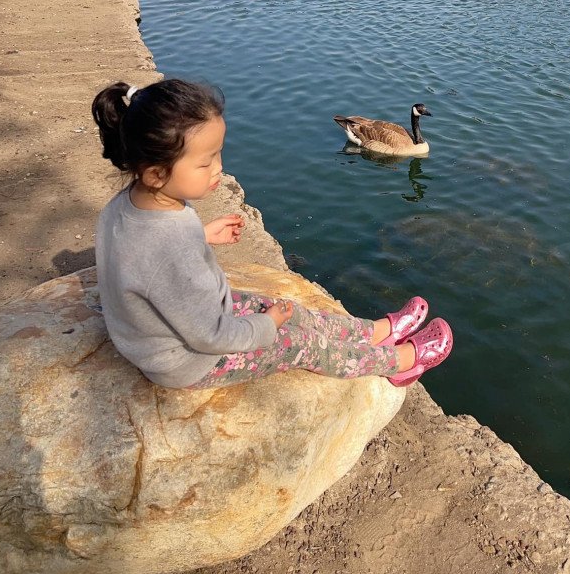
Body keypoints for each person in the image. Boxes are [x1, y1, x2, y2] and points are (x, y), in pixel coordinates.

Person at [91, 79, 453, 391]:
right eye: (206, 162)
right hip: (187, 360)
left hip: (165, 330)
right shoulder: (173, 251)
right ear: (155, 172)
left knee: (287, 309)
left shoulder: (127, 207)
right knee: (300, 342)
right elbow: (209, 336)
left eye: (218, 155)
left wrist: (199, 235)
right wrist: (266, 327)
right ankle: (399, 360)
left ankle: (371, 332)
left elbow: (146, 256)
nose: (219, 168)